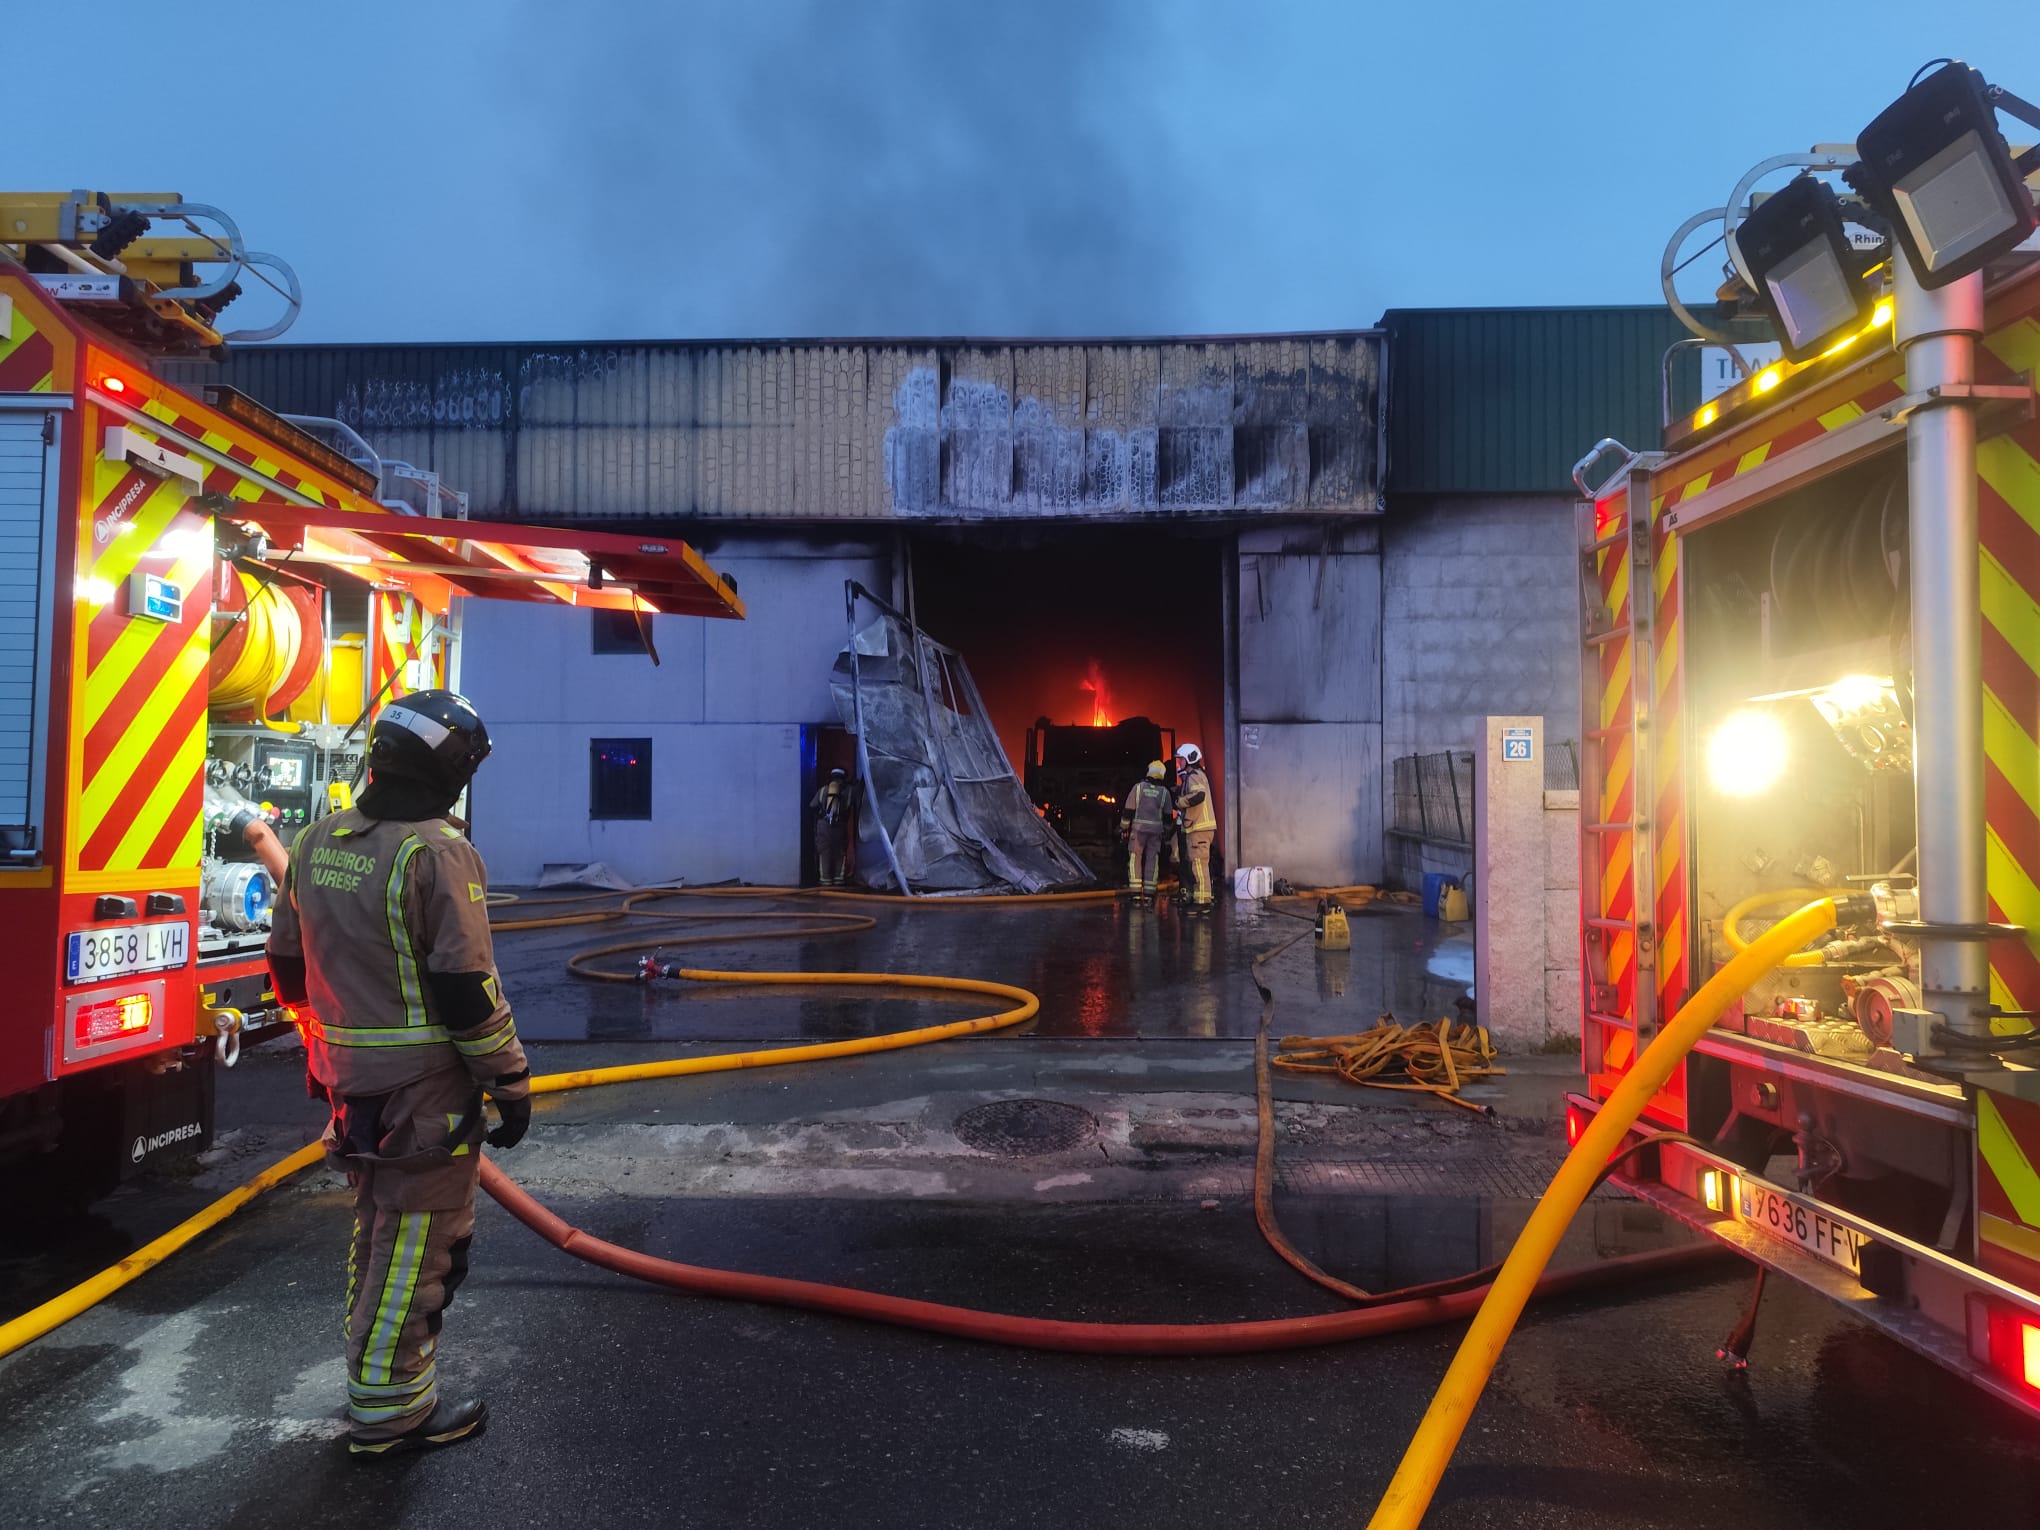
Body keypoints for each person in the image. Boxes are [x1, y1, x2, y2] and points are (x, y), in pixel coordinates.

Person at [266, 690, 530, 1460]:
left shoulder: (316, 841)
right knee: (421, 1248)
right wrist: (509, 1083)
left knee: (381, 1232)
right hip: (424, 1093)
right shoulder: (438, 852)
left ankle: (380, 1386)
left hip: (352, 1088)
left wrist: (337, 1047)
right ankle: (389, 1415)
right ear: (451, 769)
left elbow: (287, 967)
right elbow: (466, 990)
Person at [1118, 760, 1174, 904]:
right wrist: (1167, 834)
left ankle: (1135, 893)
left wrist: (1124, 828)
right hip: (1156, 832)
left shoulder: (1138, 788)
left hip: (1137, 831)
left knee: (1135, 858)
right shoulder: (1165, 793)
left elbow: (1128, 810)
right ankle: (1149, 893)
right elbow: (1168, 817)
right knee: (1152, 860)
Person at [1174, 742, 1218, 915]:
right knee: (1198, 865)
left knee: (1199, 866)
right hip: (1199, 828)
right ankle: (1200, 899)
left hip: (1199, 828)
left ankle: (1202, 902)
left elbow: (1199, 795)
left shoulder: (1194, 775)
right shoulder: (1198, 775)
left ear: (1189, 759)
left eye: (1181, 760)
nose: (1179, 764)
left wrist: (1180, 802)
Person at [810, 767, 858, 887]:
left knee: (824, 852)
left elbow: (812, 805)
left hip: (824, 826)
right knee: (840, 853)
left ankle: (825, 880)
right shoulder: (849, 792)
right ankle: (839, 879)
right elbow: (855, 803)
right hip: (840, 826)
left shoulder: (822, 790)